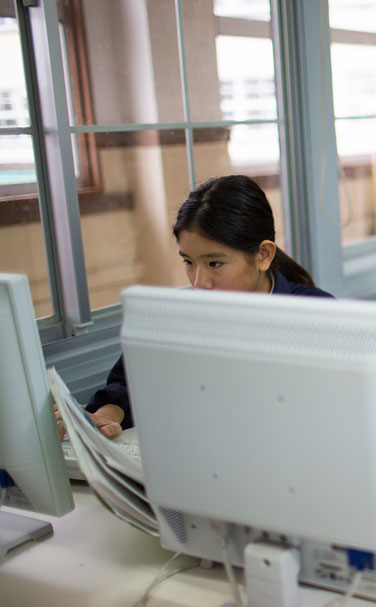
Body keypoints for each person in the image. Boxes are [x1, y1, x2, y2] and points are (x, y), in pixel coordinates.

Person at [82, 175, 333, 438]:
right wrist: (107, 415)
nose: (199, 282)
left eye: (214, 264)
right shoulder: (176, 319)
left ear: (263, 255)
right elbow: (129, 384)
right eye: (188, 262)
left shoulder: (318, 315)